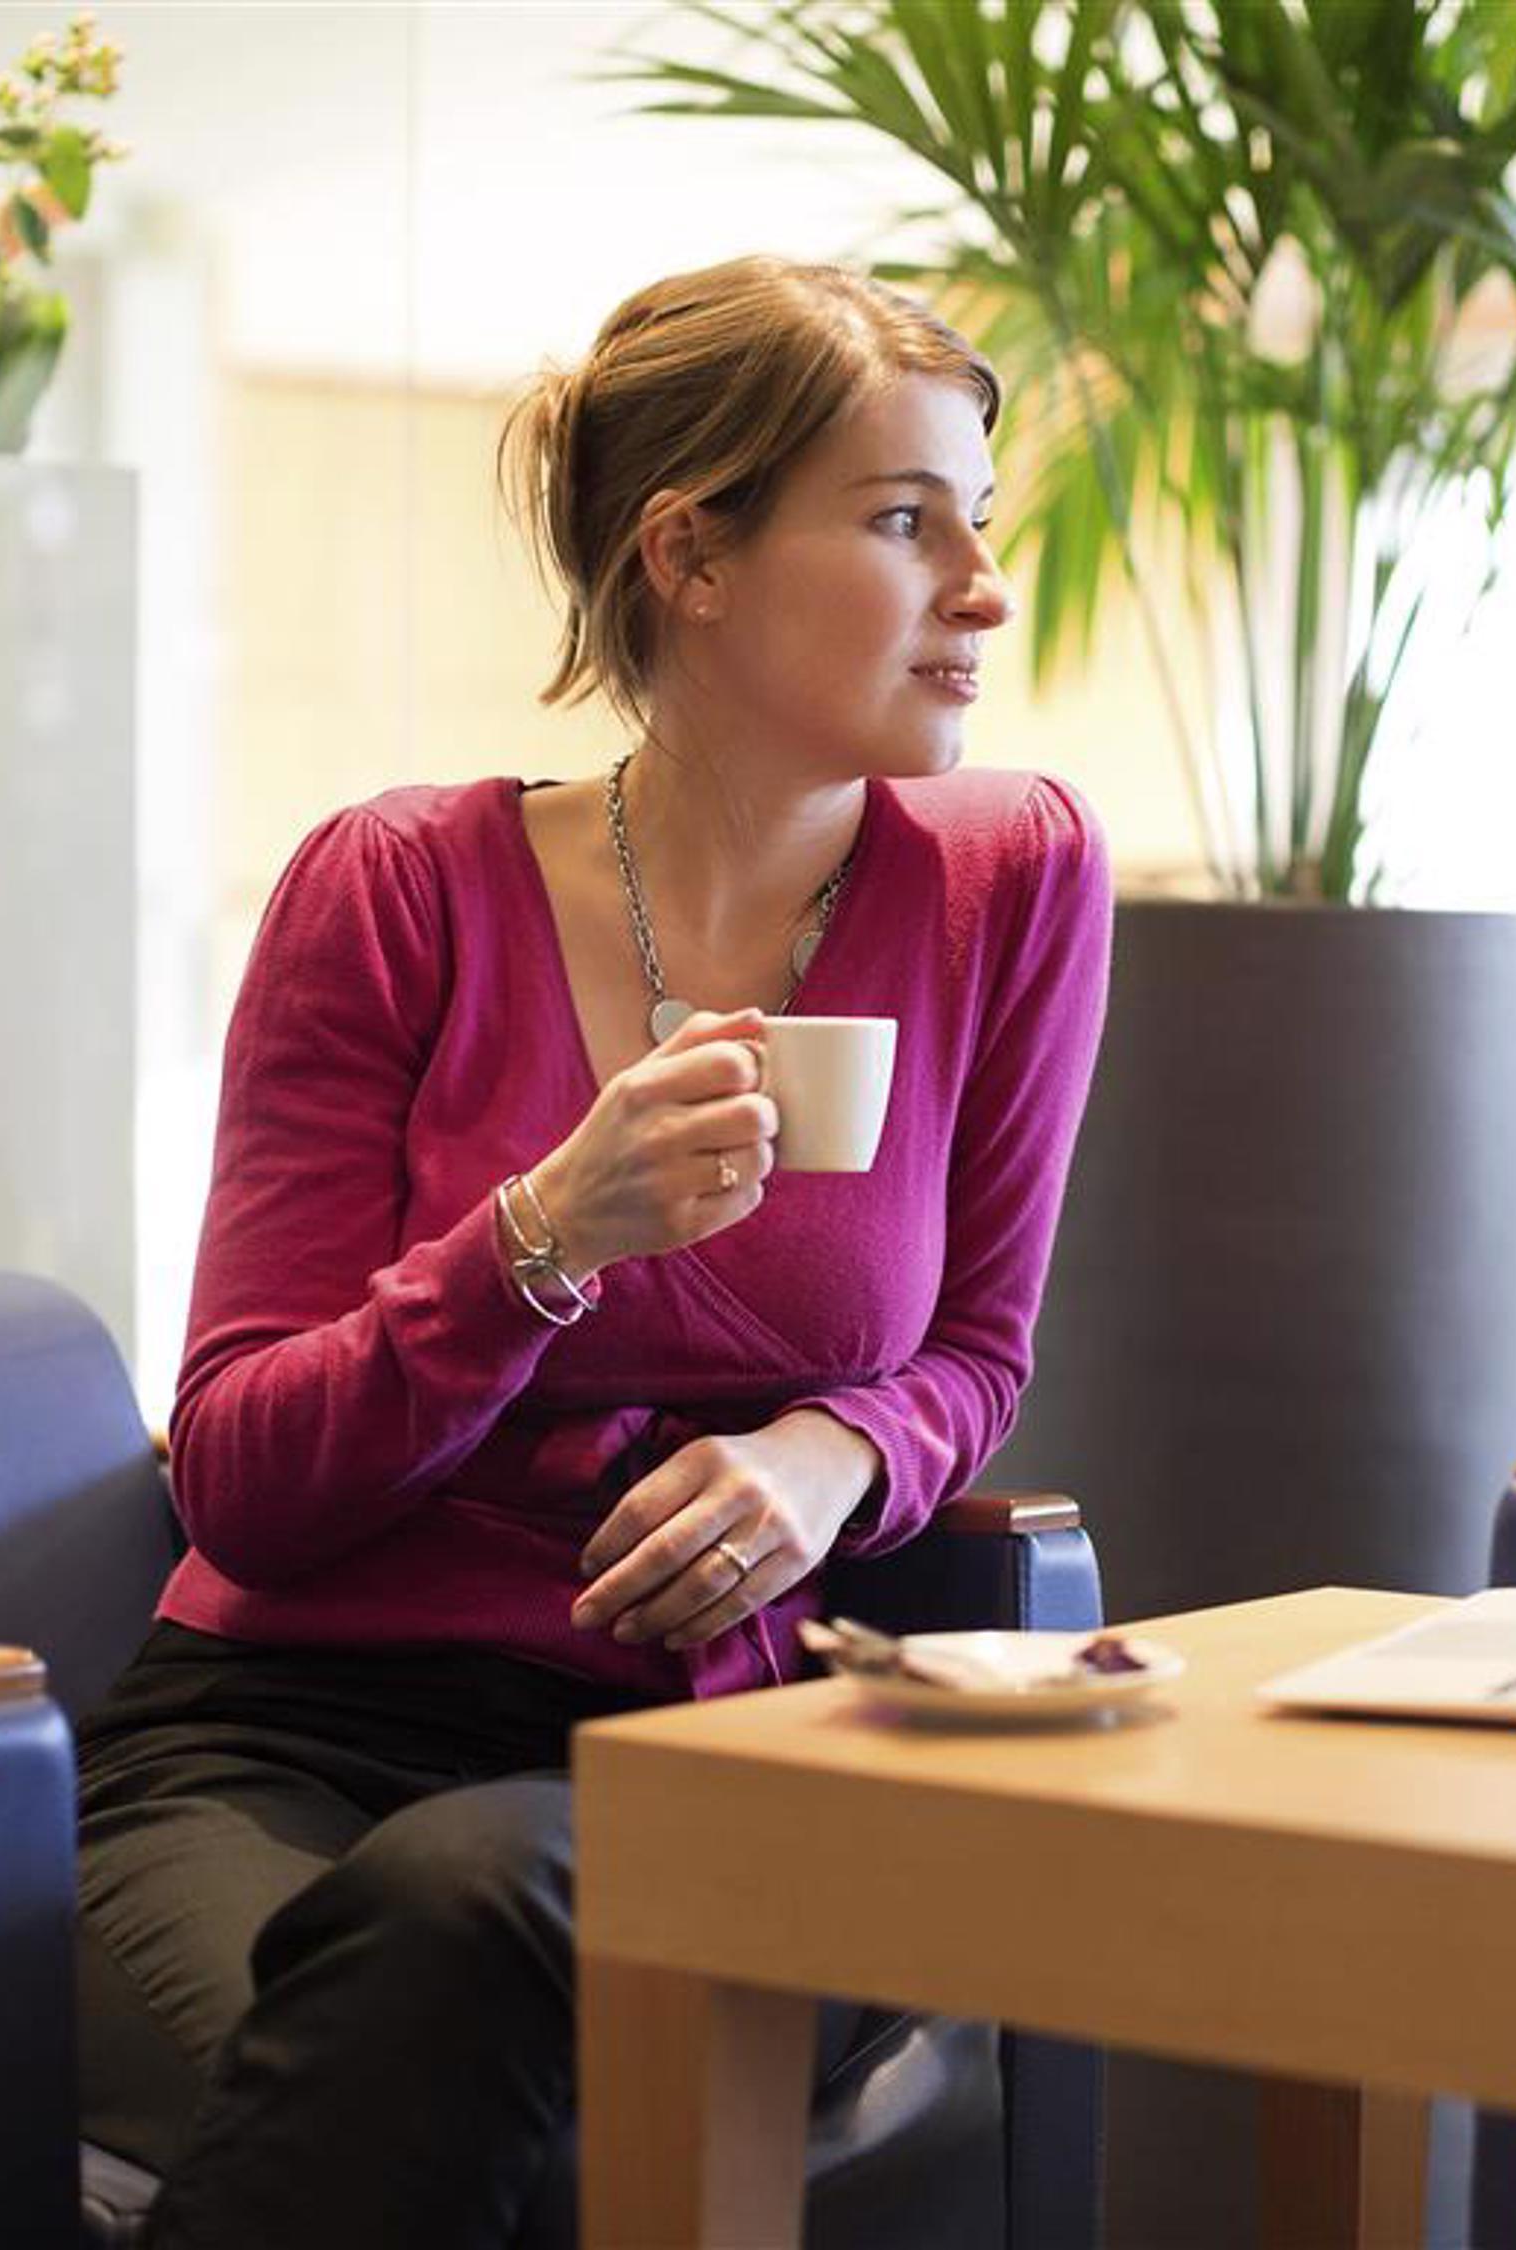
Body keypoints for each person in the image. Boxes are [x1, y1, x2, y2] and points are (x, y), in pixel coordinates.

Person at [71, 255, 1111, 2248]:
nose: (982, 586)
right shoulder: (394, 890)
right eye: (906, 523)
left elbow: (976, 1348)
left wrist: (832, 1457)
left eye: (983, 523)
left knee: (473, 1953)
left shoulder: (1015, 877)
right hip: (286, 1749)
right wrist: (538, 1237)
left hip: (720, 1761)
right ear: (690, 557)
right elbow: (248, 1485)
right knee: (459, 2014)